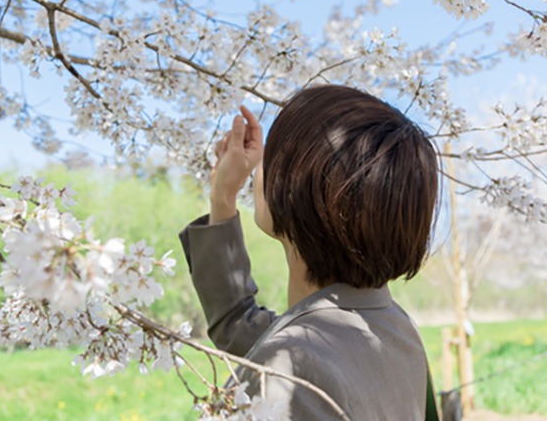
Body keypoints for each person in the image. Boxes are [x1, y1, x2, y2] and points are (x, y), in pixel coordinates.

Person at [179, 85, 440, 420]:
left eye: (271, 159)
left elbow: (281, 353)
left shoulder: (286, 374)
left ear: (294, 188)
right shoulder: (392, 328)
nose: (260, 171)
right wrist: (222, 198)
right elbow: (240, 327)